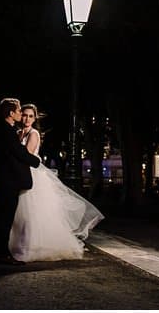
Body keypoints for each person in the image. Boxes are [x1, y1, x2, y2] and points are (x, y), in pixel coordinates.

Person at [9, 104, 105, 262]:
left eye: (30, 116)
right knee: (19, 215)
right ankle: (18, 245)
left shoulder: (33, 134)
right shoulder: (19, 132)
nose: (27, 118)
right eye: (24, 115)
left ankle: (29, 248)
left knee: (31, 214)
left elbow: (26, 156)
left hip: (31, 175)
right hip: (20, 174)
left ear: (35, 118)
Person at [0, 98, 40, 265]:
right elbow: (19, 153)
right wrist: (37, 162)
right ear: (11, 113)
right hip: (9, 181)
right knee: (4, 218)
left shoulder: (1, 129)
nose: (21, 115)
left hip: (4, 179)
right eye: (18, 111)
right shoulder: (8, 131)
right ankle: (2, 254)